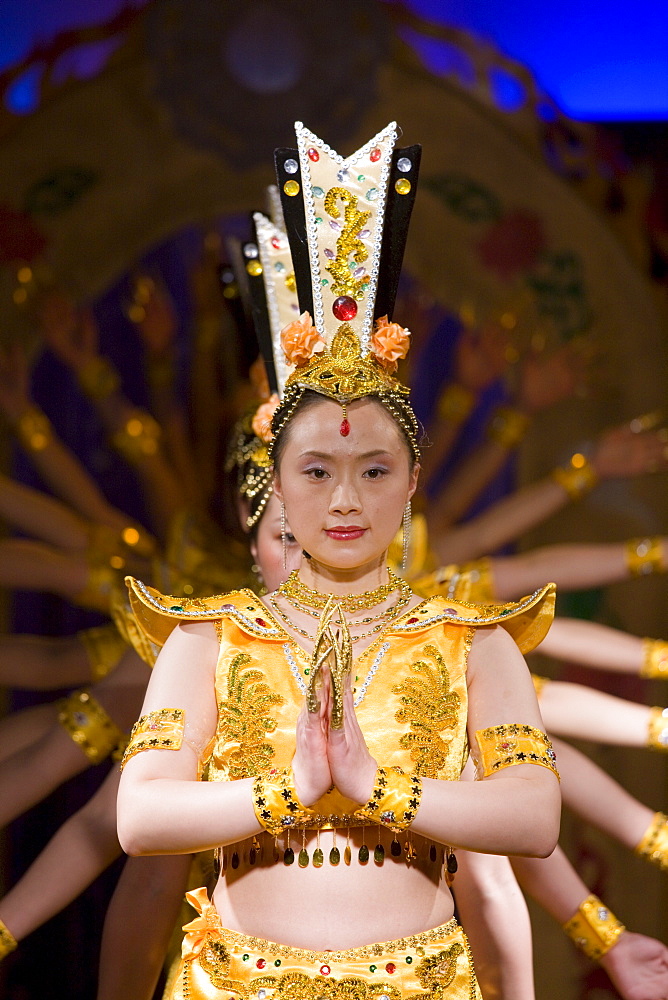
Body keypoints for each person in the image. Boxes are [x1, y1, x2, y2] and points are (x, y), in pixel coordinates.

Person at [116, 122, 561, 1000]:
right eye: (316, 472)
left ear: (413, 483)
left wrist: (373, 786)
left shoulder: (474, 640)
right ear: (276, 486)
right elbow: (141, 816)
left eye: (374, 471)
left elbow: (532, 815)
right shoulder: (207, 637)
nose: (346, 500)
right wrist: (293, 788)